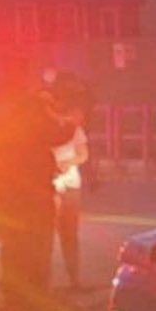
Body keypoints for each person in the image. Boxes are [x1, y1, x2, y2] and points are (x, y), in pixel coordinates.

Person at [0, 62, 81, 311]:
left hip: (3, 184)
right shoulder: (31, 104)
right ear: (23, 76)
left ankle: (14, 298)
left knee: (11, 241)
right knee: (37, 241)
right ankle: (37, 298)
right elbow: (53, 134)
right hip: (34, 184)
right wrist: (72, 123)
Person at [50, 73, 92, 290]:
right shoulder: (44, 129)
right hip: (50, 186)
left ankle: (74, 278)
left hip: (71, 185)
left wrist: (69, 162)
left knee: (69, 233)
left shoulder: (75, 131)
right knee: (46, 234)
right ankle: (41, 283)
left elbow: (84, 154)